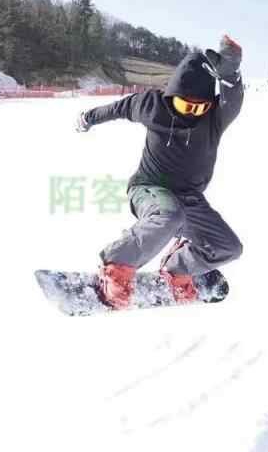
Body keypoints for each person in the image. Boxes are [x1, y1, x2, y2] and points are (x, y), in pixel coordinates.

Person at [75, 35, 244, 309]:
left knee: (228, 247)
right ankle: (116, 266)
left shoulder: (213, 119)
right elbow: (118, 108)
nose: (193, 113)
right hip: (150, 187)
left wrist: (231, 76)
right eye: (186, 106)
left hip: (189, 197)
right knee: (168, 215)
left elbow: (232, 102)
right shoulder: (153, 106)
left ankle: (178, 268)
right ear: (173, 95)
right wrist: (88, 118)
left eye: (200, 108)